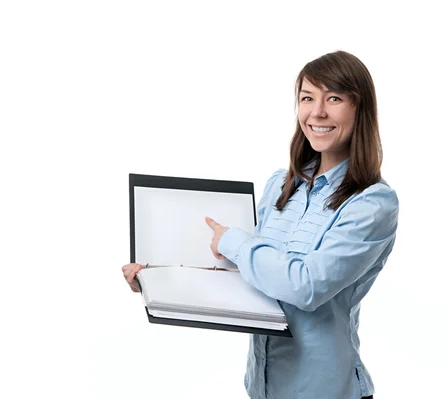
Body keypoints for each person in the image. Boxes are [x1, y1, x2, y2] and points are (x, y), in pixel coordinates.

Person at [123, 50, 398, 399]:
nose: (317, 112)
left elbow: (306, 286)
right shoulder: (280, 186)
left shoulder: (372, 203)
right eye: (307, 98)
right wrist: (159, 280)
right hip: (264, 386)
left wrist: (234, 242)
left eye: (334, 98)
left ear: (360, 109)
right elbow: (251, 275)